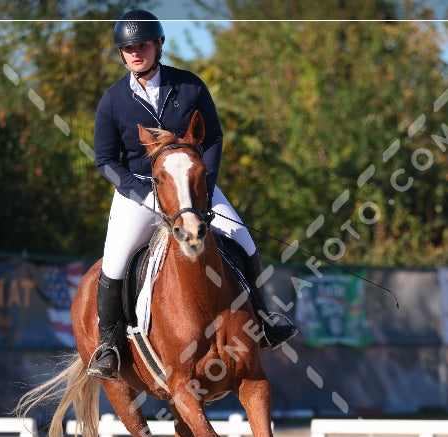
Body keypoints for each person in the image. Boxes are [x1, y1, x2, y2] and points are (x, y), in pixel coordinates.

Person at [88, 9, 297, 380]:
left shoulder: (189, 86)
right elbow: (105, 159)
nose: (135, 53)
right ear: (121, 53)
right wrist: (140, 193)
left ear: (159, 46)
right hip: (141, 193)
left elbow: (213, 138)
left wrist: (205, 187)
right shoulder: (113, 100)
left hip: (194, 189)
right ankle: (108, 344)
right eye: (128, 48)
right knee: (114, 262)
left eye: (142, 45)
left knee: (243, 240)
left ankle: (262, 318)